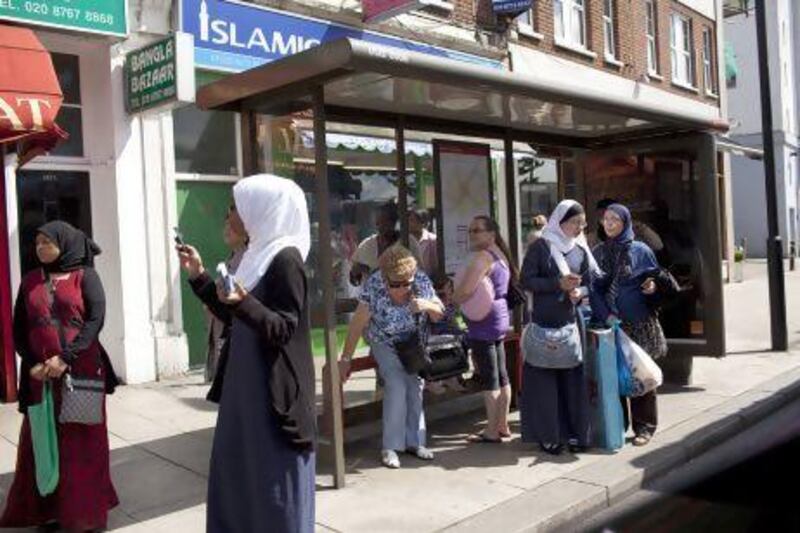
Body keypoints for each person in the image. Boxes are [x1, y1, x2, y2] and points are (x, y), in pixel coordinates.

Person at [178, 174, 316, 532]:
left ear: (262, 209)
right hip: (244, 385)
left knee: (270, 481)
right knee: (239, 477)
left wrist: (243, 301)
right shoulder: (257, 254)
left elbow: (284, 327)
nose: (230, 215)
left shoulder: (287, 259)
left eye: (236, 208)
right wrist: (201, 278)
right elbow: (234, 314)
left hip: (269, 391)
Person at [0, 221, 120, 531]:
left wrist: (65, 358)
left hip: (80, 374)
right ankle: (46, 511)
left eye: (47, 242)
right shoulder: (30, 282)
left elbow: (95, 322)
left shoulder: (86, 277)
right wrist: (33, 362)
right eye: (37, 242)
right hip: (42, 377)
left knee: (81, 444)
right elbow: (18, 328)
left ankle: (84, 514)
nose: (40, 248)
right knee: (43, 442)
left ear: (65, 244)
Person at [338, 245, 444, 468]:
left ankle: (415, 441)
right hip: (383, 340)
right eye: (396, 284)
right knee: (396, 384)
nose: (403, 289)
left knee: (414, 385)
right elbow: (358, 323)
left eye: (407, 283)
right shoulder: (374, 284)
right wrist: (346, 359)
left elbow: (439, 313)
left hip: (412, 344)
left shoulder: (420, 280)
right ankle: (391, 446)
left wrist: (426, 304)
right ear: (385, 278)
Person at [519, 200, 600, 455]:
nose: (579, 227)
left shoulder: (580, 249)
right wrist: (558, 284)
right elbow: (526, 280)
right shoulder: (541, 247)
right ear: (560, 221)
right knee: (544, 381)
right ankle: (549, 435)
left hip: (570, 320)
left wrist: (580, 292)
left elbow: (592, 281)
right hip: (544, 321)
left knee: (573, 380)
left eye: (581, 223)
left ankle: (576, 433)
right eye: (575, 222)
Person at [590, 203, 669, 447]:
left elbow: (655, 279)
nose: (610, 223)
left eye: (615, 219)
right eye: (606, 219)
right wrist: (607, 315)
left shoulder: (641, 250)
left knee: (640, 375)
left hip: (639, 323)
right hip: (612, 326)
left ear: (625, 223)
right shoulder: (599, 252)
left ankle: (644, 427)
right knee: (615, 377)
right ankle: (618, 425)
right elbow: (593, 290)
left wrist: (652, 288)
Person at [453, 216, 515, 443]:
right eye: (470, 230)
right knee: (502, 375)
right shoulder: (500, 254)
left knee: (490, 378)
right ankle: (503, 425)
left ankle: (491, 430)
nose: (472, 235)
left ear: (491, 233)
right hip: (498, 316)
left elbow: (466, 290)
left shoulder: (483, 257)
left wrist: (453, 297)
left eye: (477, 230)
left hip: (483, 321)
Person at [204, 204, 247, 383]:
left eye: (232, 224)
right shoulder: (231, 258)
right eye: (225, 224)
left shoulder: (248, 259)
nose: (227, 229)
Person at [350, 202, 420, 286]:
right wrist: (355, 272)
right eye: (378, 223)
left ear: (394, 223)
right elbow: (354, 280)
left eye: (385, 223)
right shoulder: (367, 245)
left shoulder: (408, 242)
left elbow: (420, 272)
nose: (380, 227)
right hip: (372, 297)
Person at [587, 198, 663, 252]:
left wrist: (642, 228)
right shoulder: (592, 239)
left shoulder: (634, 235)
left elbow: (658, 246)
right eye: (602, 216)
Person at [408, 208, 438, 276]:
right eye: (409, 220)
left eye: (412, 220)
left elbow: (436, 264)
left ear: (423, 223)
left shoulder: (432, 240)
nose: (409, 223)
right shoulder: (405, 239)